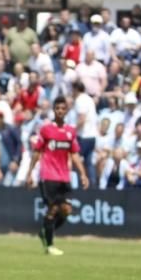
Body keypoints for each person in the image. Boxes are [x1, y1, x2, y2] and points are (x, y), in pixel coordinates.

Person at [26, 96, 90, 256]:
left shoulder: (70, 131)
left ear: (67, 111)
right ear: (54, 110)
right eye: (57, 108)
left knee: (66, 210)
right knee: (53, 208)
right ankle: (49, 245)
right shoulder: (46, 129)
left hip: (64, 177)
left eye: (63, 108)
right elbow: (37, 152)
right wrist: (30, 173)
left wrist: (83, 174)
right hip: (48, 176)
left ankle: (45, 231)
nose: (60, 111)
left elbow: (75, 154)